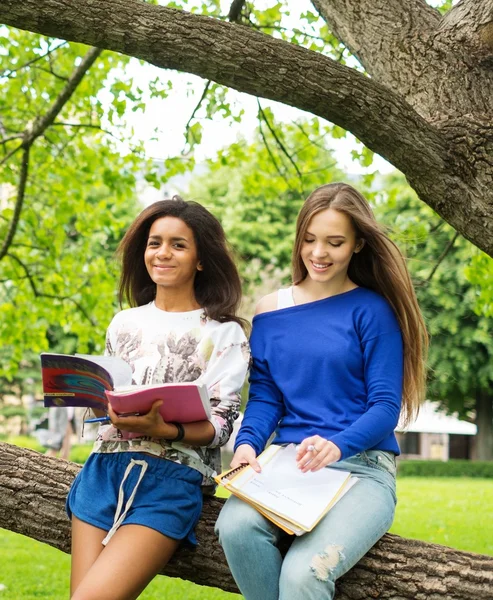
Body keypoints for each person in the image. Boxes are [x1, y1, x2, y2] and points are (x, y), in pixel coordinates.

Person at [215, 182, 428, 600]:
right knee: (234, 527)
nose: (319, 253)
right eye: (310, 240)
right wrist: (246, 447)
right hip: (288, 466)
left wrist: (337, 445)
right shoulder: (270, 312)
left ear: (358, 244)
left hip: (363, 470)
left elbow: (385, 407)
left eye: (335, 242)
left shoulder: (373, 310)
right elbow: (265, 398)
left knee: (303, 574)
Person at [67, 197, 250, 600]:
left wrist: (162, 428)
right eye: (154, 243)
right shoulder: (125, 322)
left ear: (201, 259)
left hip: (171, 479)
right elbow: (109, 396)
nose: (162, 253)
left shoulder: (224, 333)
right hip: (102, 469)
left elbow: (222, 427)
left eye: (178, 244)